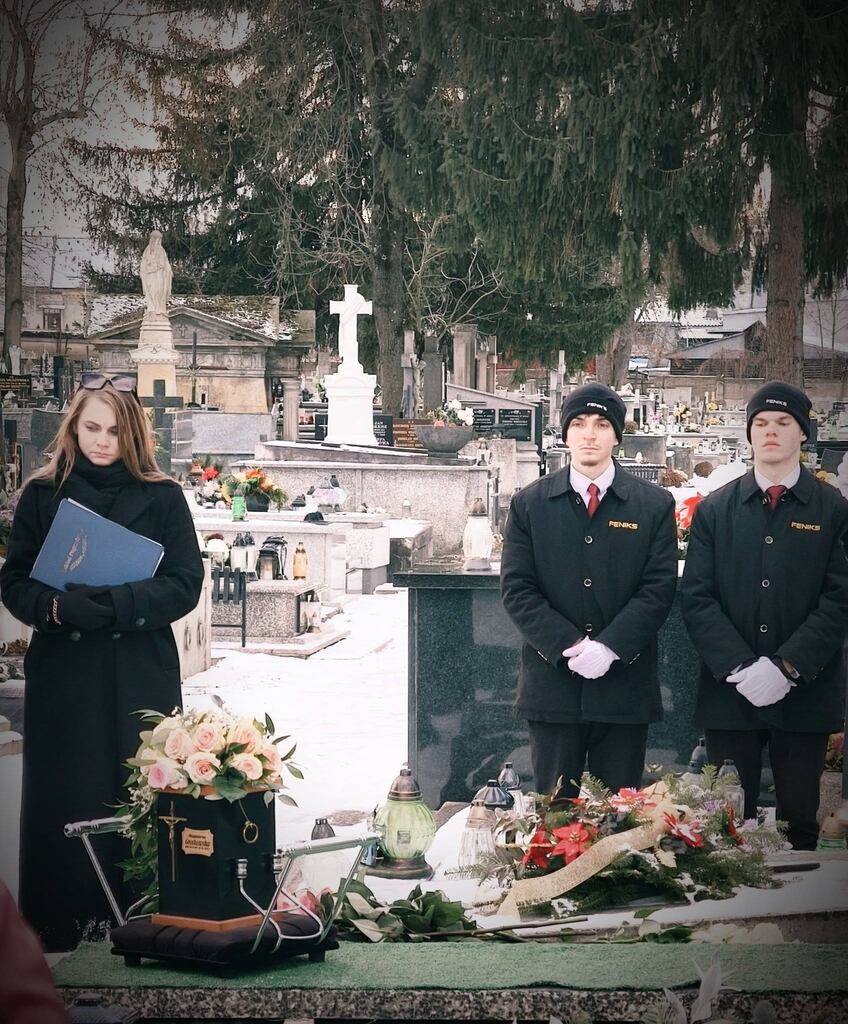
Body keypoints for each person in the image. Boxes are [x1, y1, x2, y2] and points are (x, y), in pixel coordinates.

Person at [0, 371, 203, 950]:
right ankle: (62, 930)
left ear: (132, 434)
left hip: (139, 670)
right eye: (92, 428)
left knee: (143, 795)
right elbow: (15, 582)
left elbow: (185, 582)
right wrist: (57, 608)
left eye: (114, 431)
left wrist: (121, 603)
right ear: (74, 427)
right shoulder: (43, 494)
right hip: (66, 675)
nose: (102, 441)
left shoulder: (162, 496)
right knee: (68, 795)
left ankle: (146, 925)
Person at [681, 381, 848, 849]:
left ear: (803, 433)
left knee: (800, 828)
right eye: (760, 423)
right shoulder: (716, 509)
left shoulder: (834, 510)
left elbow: (839, 598)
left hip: (804, 695)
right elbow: (697, 596)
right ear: (750, 434)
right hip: (730, 696)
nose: (770, 431)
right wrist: (740, 665)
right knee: (726, 829)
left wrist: (786, 666)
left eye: (783, 422)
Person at [501, 383, 678, 798]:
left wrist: (610, 647)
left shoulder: (653, 505)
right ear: (565, 433)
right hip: (553, 688)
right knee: (555, 814)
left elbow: (657, 588)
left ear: (617, 436)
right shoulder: (530, 504)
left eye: (601, 424)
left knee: (620, 818)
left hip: (624, 689)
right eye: (578, 423)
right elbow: (518, 588)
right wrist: (571, 645)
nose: (589, 434)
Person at [139, 229, 172, 317]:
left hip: (159, 275)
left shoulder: (161, 250)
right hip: (150, 276)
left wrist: (166, 270)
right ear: (153, 239)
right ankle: (152, 308)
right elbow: (144, 264)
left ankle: (159, 308)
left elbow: (164, 264)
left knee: (159, 290)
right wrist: (148, 269)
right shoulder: (147, 250)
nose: (158, 242)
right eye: (157, 239)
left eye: (159, 239)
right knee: (151, 291)